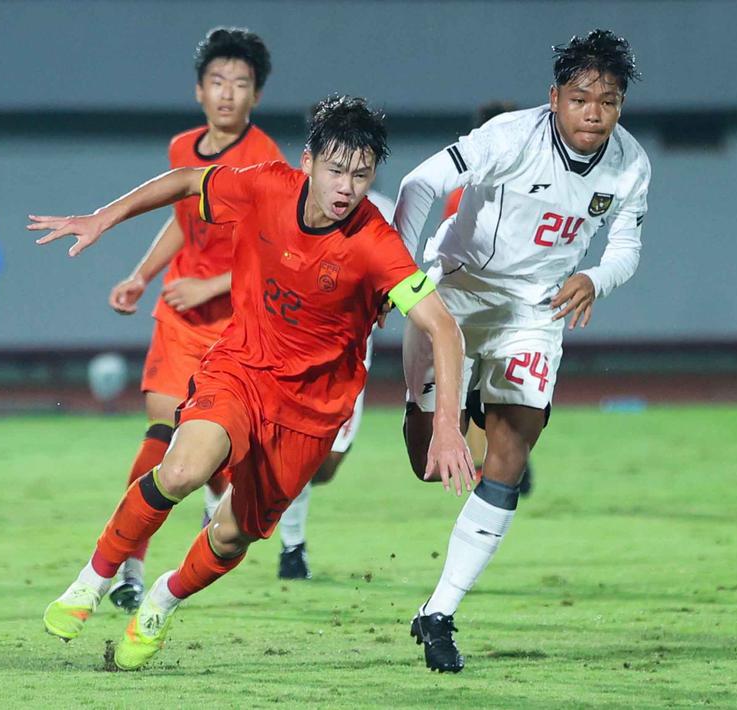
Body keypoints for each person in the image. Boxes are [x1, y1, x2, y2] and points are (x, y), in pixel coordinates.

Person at [32, 95, 475, 671]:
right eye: (336, 170)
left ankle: (163, 598)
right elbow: (187, 181)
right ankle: (92, 580)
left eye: (361, 175)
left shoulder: (375, 243)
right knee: (182, 470)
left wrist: (446, 427)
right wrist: (102, 218)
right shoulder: (265, 184)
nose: (346, 187)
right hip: (241, 365)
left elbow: (444, 328)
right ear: (309, 160)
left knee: (233, 534)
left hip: (312, 409)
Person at [393, 29, 650, 672]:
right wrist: (395, 273)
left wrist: (596, 277)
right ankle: (463, 404)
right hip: (456, 291)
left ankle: (439, 612)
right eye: (582, 97)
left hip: (534, 312)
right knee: (429, 461)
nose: (595, 112)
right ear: (554, 97)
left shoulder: (630, 163)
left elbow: (626, 244)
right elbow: (419, 185)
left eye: (609, 100)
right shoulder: (509, 137)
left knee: (511, 453)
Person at [103, 27, 285, 613]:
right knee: (160, 433)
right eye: (218, 82)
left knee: (219, 457)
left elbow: (276, 248)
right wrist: (141, 275)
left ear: (256, 96)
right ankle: (131, 565)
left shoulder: (266, 160)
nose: (228, 94)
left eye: (241, 84)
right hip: (180, 319)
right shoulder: (183, 149)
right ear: (199, 91)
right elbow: (184, 218)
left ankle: (211, 536)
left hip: (238, 326)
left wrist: (212, 282)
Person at [273, 189, 395, 580]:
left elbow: (397, 272)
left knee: (323, 467)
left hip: (347, 363)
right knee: (296, 454)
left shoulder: (383, 212)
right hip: (291, 353)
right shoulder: (287, 203)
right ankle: (292, 549)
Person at [436, 100, 535, 496]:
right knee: (479, 386)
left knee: (500, 387)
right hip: (478, 308)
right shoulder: (466, 194)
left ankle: (504, 458)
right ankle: (488, 468)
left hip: (514, 309)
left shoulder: (530, 185)